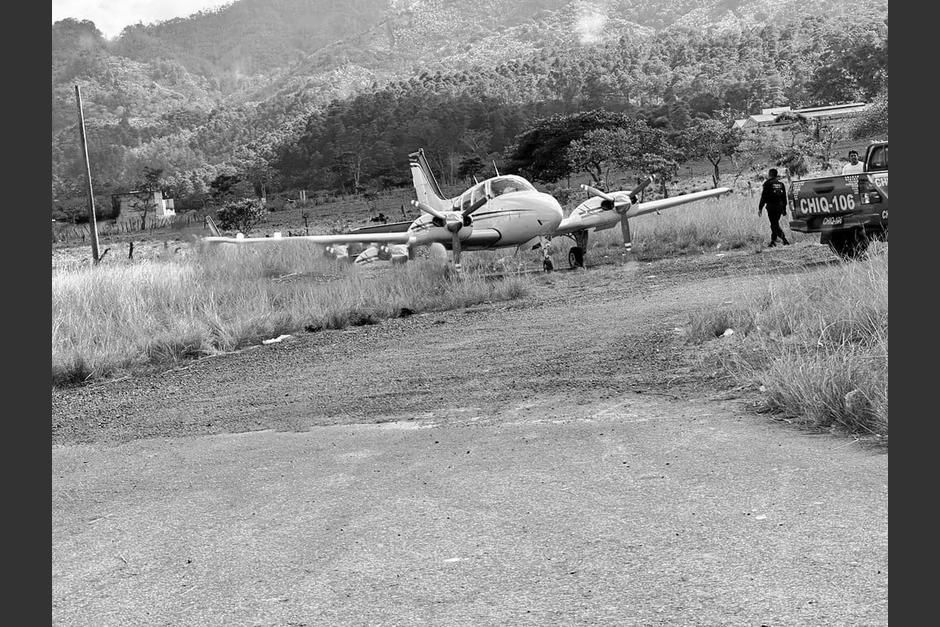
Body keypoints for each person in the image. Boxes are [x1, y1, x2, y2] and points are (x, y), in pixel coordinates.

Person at [758, 168, 790, 247]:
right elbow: (784, 198)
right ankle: (780, 240)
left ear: (770, 174)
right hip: (779, 207)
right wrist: (784, 209)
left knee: (774, 224)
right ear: (776, 175)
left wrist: (760, 208)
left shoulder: (767, 184)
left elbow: (763, 197)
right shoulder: (781, 184)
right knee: (775, 223)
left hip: (771, 207)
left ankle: (776, 241)